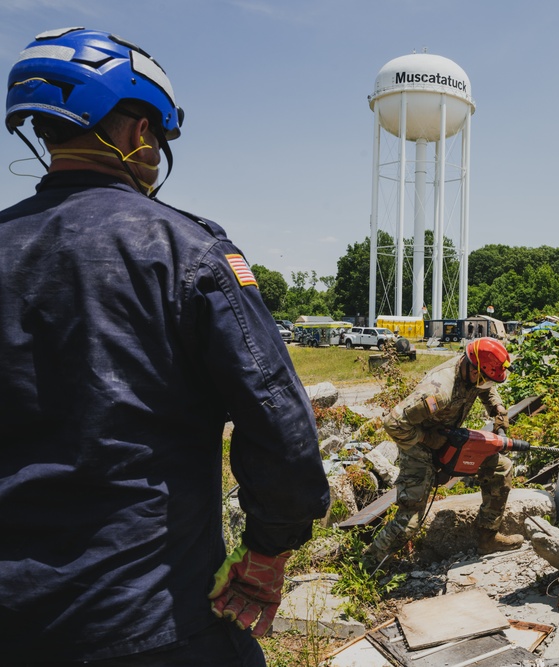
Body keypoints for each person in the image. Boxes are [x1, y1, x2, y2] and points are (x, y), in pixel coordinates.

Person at [0, 28, 330, 666]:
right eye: (158, 134)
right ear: (135, 132)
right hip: (150, 618)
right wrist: (267, 553)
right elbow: (281, 426)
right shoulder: (188, 252)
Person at [365, 338, 521, 566]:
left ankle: (487, 538)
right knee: (410, 520)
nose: (486, 385)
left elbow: (486, 388)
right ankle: (369, 563)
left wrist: (497, 408)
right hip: (417, 446)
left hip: (447, 437)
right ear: (473, 369)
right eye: (485, 380)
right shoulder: (439, 391)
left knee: (501, 468)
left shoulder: (474, 373)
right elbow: (393, 423)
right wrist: (427, 438)